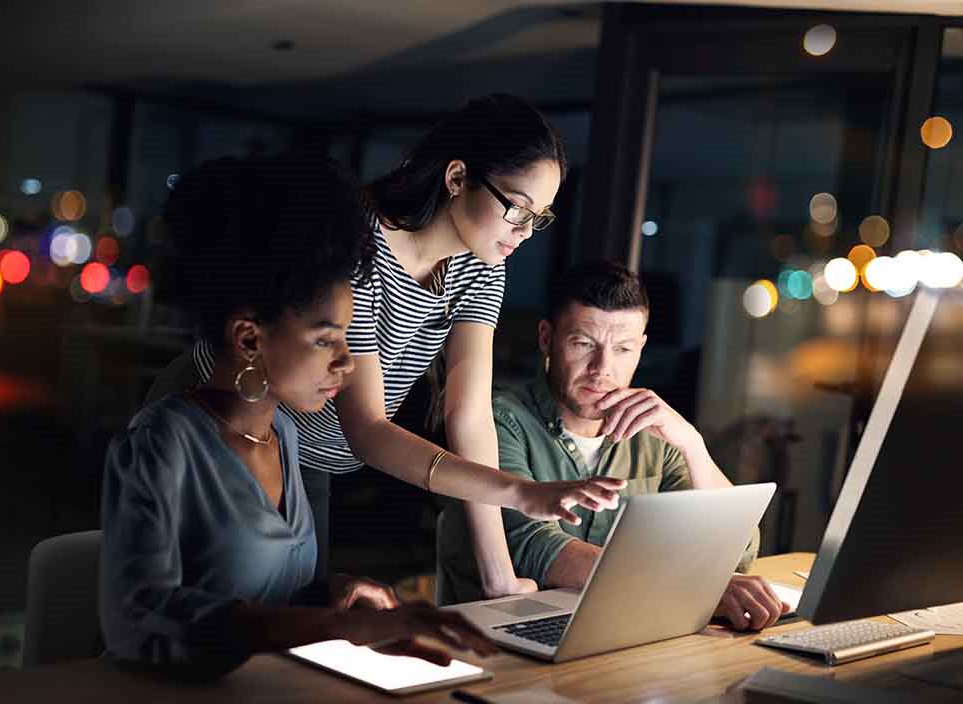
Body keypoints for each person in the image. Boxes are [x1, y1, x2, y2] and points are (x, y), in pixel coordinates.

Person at [183, 94, 626, 598]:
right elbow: (368, 429)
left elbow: (470, 417)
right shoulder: (357, 241)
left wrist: (498, 573)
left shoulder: (482, 266)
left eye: (539, 217)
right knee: (213, 608)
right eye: (517, 208)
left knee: (293, 613)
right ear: (457, 178)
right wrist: (520, 492)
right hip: (233, 419)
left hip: (315, 453)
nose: (525, 232)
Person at [100, 154, 497, 678]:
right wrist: (336, 628)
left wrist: (337, 597)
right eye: (325, 340)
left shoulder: (283, 434)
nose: (347, 361)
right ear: (249, 338)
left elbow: (273, 593)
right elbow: (141, 623)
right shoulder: (162, 443)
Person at [437, 261, 790, 631]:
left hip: (616, 633)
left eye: (622, 349)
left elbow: (739, 550)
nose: (602, 368)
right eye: (583, 343)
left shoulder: (654, 432)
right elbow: (531, 547)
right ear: (547, 338)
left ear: (641, 348)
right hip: (496, 641)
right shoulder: (498, 421)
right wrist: (689, 586)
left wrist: (692, 444)